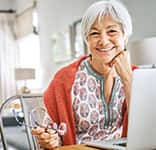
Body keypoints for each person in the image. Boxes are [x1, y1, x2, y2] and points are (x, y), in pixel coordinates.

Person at [32, 0, 138, 149]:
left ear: (125, 37)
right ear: (86, 39)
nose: (103, 41)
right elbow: (53, 134)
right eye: (94, 33)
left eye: (112, 31)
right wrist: (51, 140)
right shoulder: (64, 79)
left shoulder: (139, 77)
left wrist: (128, 79)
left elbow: (148, 127)